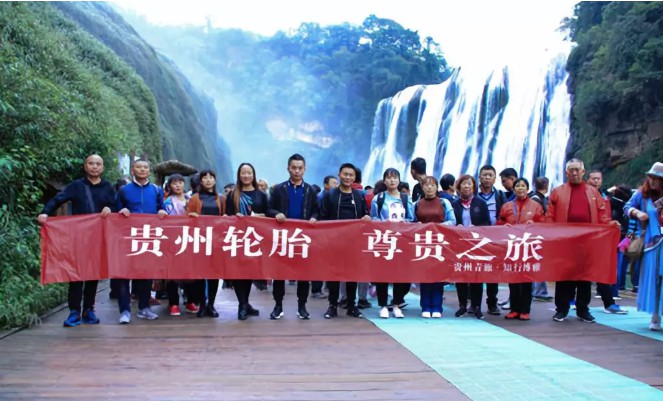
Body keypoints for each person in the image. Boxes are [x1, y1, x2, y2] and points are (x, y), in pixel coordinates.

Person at [38, 154, 115, 327]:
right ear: (85, 166)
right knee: (76, 274)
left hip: (99, 237)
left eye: (98, 164)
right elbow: (58, 199)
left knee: (93, 274)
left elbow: (115, 206)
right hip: (78, 237)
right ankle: (74, 311)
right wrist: (45, 212)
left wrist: (110, 209)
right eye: (91, 163)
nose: (94, 166)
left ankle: (89, 309)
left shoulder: (107, 187)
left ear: (102, 167)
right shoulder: (76, 186)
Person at [547, 158, 612, 323]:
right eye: (571, 170)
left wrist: (610, 225)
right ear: (566, 172)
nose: (574, 173)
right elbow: (550, 216)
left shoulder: (593, 192)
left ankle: (583, 309)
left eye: (577, 170)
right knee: (564, 276)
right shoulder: (557, 192)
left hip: (587, 243)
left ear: (583, 172)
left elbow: (602, 214)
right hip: (564, 242)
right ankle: (561, 309)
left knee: (585, 276)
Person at [266, 153, 319, 320]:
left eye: (300, 168)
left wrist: (314, 217)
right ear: (288, 168)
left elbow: (317, 210)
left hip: (303, 238)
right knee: (279, 274)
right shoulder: (278, 189)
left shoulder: (310, 190)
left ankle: (302, 306)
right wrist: (276, 214)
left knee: (304, 274)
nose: (297, 171)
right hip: (282, 237)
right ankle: (278, 306)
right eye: (294, 168)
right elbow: (269, 209)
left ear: (304, 169)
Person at [116, 159, 168, 324]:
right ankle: (124, 310)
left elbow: (162, 208)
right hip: (127, 237)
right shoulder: (124, 190)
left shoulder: (156, 190)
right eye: (139, 167)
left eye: (145, 167)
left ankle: (144, 308)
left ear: (149, 171)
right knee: (124, 274)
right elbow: (115, 211)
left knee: (146, 273)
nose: (142, 169)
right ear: (133, 170)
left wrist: (162, 211)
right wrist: (121, 210)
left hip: (148, 236)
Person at [320, 163, 371, 319]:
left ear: (354, 178)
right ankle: (332, 305)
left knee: (352, 275)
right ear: (339, 175)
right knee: (334, 275)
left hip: (354, 243)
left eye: (351, 175)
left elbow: (365, 214)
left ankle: (351, 306)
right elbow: (323, 216)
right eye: (345, 174)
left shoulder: (359, 196)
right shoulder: (330, 195)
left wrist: (366, 217)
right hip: (334, 242)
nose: (348, 177)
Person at [497, 178, 545, 321]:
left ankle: (525, 310)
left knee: (526, 279)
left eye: (523, 186)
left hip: (528, 247)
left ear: (527, 189)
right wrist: (503, 226)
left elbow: (543, 225)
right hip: (512, 247)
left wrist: (534, 224)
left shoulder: (536, 206)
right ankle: (514, 309)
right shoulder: (507, 206)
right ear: (514, 189)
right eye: (518, 186)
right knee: (512, 279)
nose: (520, 188)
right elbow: (499, 223)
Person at [624, 162, 663, 330]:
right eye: (651, 177)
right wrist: (638, 213)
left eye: (657, 178)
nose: (652, 181)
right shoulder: (643, 194)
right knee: (654, 279)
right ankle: (655, 315)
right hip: (651, 244)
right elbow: (627, 207)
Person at [225, 163, 267, 320]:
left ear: (253, 175)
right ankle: (242, 304)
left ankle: (245, 303)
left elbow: (268, 213)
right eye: (243, 173)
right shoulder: (232, 194)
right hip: (237, 237)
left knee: (249, 271)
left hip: (254, 238)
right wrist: (233, 218)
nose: (246, 176)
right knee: (238, 271)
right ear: (239, 175)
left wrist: (261, 217)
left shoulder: (261, 195)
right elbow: (227, 215)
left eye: (249, 173)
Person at [371, 168, 414, 318]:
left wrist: (403, 223)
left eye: (395, 177)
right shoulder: (378, 198)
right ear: (384, 181)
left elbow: (411, 219)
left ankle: (396, 304)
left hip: (401, 240)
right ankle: (383, 305)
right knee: (382, 274)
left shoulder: (405, 198)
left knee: (400, 274)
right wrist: (384, 224)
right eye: (389, 178)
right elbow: (374, 218)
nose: (392, 180)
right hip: (384, 240)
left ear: (399, 180)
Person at [186, 169, 227, 318]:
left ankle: (211, 304)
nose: (208, 180)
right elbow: (187, 215)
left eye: (211, 177)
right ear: (201, 181)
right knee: (200, 273)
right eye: (205, 177)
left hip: (216, 241)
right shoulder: (195, 198)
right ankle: (202, 304)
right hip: (199, 240)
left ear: (215, 180)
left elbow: (225, 216)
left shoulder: (221, 198)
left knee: (214, 273)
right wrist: (191, 215)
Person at [586, 170, 628, 314]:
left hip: (601, 238)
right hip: (584, 237)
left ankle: (609, 303)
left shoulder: (605, 196)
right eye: (593, 178)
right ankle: (571, 300)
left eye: (598, 179)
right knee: (578, 269)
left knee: (602, 269)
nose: (596, 181)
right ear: (588, 179)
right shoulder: (583, 193)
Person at [414, 176, 456, 318]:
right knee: (424, 274)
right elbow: (412, 221)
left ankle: (437, 306)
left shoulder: (444, 202)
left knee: (438, 275)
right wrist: (419, 226)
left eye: (432, 185)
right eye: (427, 185)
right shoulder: (417, 204)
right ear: (422, 187)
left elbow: (452, 221)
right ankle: (425, 306)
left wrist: (436, 227)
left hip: (440, 242)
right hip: (423, 243)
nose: (430, 188)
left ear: (437, 187)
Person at [452, 174, 491, 319]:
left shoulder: (481, 203)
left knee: (477, 275)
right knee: (460, 275)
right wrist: (457, 226)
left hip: (477, 244)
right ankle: (462, 305)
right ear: (459, 186)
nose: (466, 186)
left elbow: (487, 223)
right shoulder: (454, 204)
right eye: (464, 183)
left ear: (474, 186)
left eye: (469, 183)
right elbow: (450, 221)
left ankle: (476, 306)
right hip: (459, 244)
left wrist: (477, 228)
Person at [162, 174, 198, 316]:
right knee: (173, 273)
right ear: (169, 186)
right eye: (174, 183)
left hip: (190, 239)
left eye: (180, 182)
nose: (178, 185)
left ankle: (191, 301)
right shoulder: (168, 202)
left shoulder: (191, 199)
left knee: (190, 272)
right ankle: (174, 303)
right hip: (173, 240)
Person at [477, 165, 507, 315]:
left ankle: (492, 303)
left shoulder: (500, 196)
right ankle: (474, 304)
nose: (487, 178)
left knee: (493, 273)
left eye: (490, 175)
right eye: (484, 175)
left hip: (496, 238)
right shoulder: (473, 195)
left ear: (495, 179)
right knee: (475, 271)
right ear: (479, 177)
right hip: (476, 238)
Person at [528, 176, 552, 301]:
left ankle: (538, 291)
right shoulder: (536, 199)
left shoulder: (535, 197)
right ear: (547, 185)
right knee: (537, 262)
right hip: (536, 235)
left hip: (535, 234)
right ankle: (539, 291)